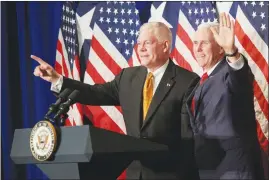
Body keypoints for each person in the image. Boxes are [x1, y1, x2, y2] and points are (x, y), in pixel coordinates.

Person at [32, 22, 200, 180]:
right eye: (139, 43)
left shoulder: (187, 81)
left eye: (147, 43)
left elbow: (189, 139)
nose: (140, 49)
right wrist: (57, 79)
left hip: (170, 175)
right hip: (135, 173)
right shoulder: (128, 77)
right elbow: (93, 93)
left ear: (165, 46)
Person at [188, 13, 264, 179]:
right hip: (210, 170)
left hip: (235, 171)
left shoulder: (228, 74)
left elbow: (240, 77)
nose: (198, 48)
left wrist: (232, 51)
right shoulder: (201, 81)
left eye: (204, 43)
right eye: (195, 43)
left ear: (220, 48)